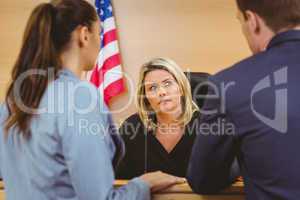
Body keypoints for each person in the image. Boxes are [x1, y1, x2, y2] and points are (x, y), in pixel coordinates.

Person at [0, 1, 185, 200]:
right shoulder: (81, 98)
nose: (100, 41)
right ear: (84, 35)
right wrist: (143, 184)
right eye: (100, 33)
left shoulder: (13, 101)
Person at [187, 0, 300, 199]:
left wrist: (244, 157)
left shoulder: (228, 84)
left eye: (240, 21)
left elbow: (203, 180)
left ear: (252, 20)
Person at [116, 58, 240, 180]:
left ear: (181, 87)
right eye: (152, 88)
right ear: (145, 97)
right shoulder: (132, 128)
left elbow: (225, 172)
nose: (161, 92)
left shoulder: (208, 125)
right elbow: (116, 179)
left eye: (167, 83)